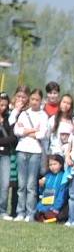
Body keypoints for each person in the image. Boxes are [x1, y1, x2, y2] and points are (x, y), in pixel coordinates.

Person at [13, 89, 49, 222]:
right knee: (21, 184)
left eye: (37, 100)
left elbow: (42, 134)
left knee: (31, 185)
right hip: (22, 149)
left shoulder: (43, 115)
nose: (34, 102)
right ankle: (20, 212)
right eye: (32, 99)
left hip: (35, 151)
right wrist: (33, 130)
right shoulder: (24, 113)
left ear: (41, 101)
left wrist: (26, 131)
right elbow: (17, 131)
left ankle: (30, 213)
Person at [35, 153, 69, 223]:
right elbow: (42, 193)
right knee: (37, 214)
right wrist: (41, 186)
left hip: (55, 206)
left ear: (60, 164)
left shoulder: (63, 177)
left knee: (50, 215)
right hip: (45, 203)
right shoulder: (47, 176)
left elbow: (62, 195)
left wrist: (55, 208)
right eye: (50, 165)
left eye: (55, 164)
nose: (52, 167)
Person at [0, 92, 17, 220]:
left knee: (5, 184)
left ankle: (2, 210)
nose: (3, 108)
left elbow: (13, 138)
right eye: (1, 105)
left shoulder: (9, 118)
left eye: (5, 105)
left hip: (5, 155)